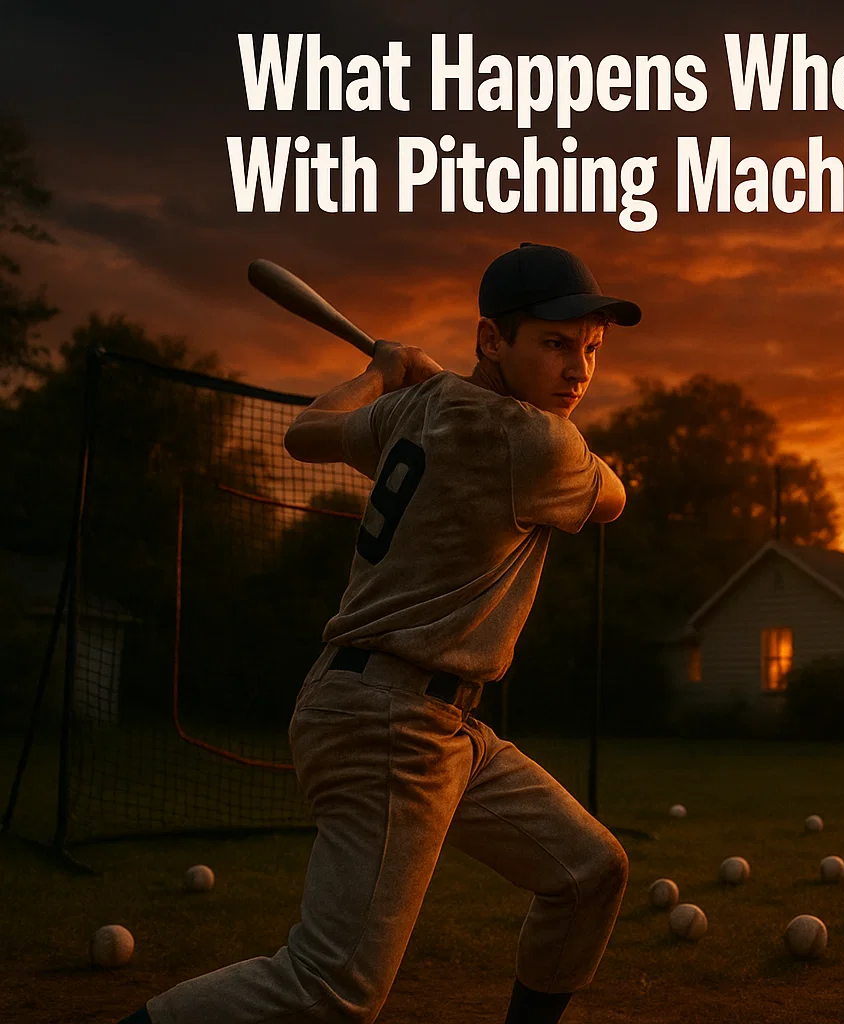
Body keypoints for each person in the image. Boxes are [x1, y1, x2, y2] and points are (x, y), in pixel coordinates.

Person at [120, 243, 640, 1024]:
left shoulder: (418, 410)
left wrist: (384, 374)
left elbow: (308, 431)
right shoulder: (538, 444)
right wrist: (430, 387)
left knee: (588, 871)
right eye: (556, 343)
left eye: (592, 350)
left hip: (426, 718)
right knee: (332, 989)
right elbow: (615, 501)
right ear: (491, 340)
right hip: (393, 723)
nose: (579, 370)